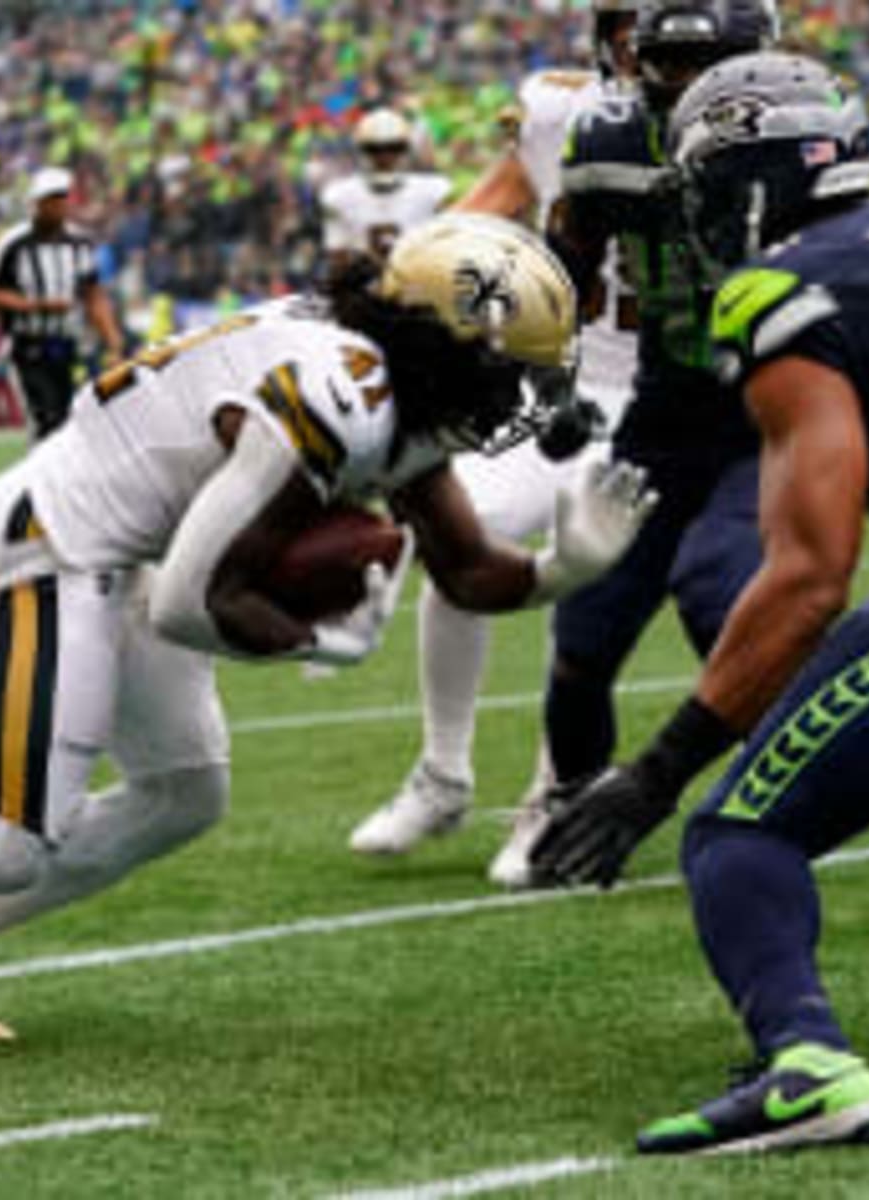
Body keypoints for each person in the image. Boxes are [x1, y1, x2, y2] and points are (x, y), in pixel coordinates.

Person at [0, 214, 655, 1045]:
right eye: (507, 371)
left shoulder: (395, 385)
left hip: (133, 552)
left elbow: (465, 567)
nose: (515, 400)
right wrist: (313, 643)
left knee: (182, 793)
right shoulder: (339, 393)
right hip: (58, 543)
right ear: (441, 342)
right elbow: (191, 603)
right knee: (6, 837)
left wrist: (561, 572)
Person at [533, 50, 869, 1154]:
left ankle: (807, 1063)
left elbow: (808, 578)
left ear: (752, 178)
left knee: (740, 831)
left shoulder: (784, 295)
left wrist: (657, 767)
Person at [483, 0, 782, 888]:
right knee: (584, 629)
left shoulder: (795, 134)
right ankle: (575, 814)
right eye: (669, 64)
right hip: (664, 409)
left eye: (711, 64)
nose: (687, 86)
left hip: (772, 407)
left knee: (721, 590)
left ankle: (800, 786)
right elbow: (563, 265)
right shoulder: (610, 136)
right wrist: (547, 376)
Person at [347, 0, 642, 867]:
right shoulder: (559, 109)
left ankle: (555, 796)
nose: (644, 48)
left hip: (670, 393)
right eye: (628, 29)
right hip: (565, 375)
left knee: (586, 578)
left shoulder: (741, 127)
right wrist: (404, 272)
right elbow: (490, 207)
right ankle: (442, 775)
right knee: (458, 543)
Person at [0, 166, 125, 440]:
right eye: (50, 199)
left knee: (67, 420)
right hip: (27, 345)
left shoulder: (79, 243)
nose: (57, 206)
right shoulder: (14, 243)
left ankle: (57, 480)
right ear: (36, 203)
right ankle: (41, 480)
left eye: (61, 198)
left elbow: (93, 295)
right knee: (44, 419)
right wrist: (35, 305)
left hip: (68, 344)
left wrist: (113, 342)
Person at [319, 108, 453, 272]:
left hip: (419, 282)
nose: (384, 157)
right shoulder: (339, 195)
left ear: (405, 150)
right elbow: (338, 254)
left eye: (393, 148)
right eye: (375, 149)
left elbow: (446, 251)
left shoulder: (434, 191)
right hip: (360, 284)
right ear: (363, 151)